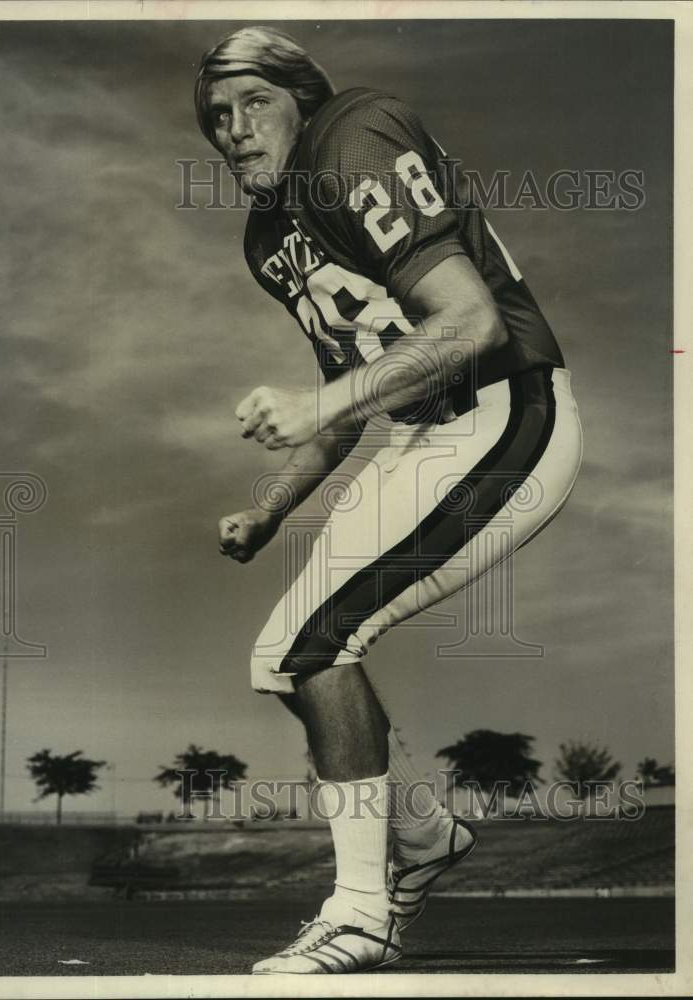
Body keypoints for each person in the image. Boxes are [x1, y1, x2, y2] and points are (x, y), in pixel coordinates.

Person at [195, 25, 583, 974]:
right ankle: (421, 840)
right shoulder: (270, 232)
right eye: (215, 117)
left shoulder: (351, 136)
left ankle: (361, 912)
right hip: (421, 433)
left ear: (303, 96)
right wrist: (273, 508)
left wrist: (318, 401)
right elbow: (358, 389)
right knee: (280, 660)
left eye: (254, 102)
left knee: (314, 643)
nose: (234, 130)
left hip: (501, 409)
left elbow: (467, 321)